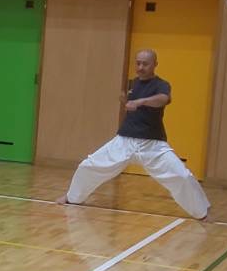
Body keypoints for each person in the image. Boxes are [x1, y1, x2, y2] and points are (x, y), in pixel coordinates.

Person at [57, 49, 210, 220]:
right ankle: (72, 198)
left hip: (153, 143)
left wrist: (141, 102)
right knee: (88, 166)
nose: (140, 67)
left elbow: (163, 99)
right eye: (138, 63)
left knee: (182, 176)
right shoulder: (132, 84)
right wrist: (125, 100)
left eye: (145, 64)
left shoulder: (161, 85)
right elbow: (128, 102)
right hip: (125, 140)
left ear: (155, 64)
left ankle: (202, 213)